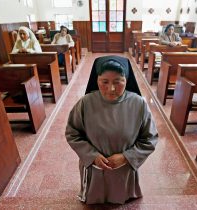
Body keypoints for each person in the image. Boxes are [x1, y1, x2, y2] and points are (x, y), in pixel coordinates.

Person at [65, 55, 158, 204]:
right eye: (104, 82)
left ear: (126, 80)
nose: (111, 89)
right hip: (94, 168)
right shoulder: (85, 103)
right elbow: (72, 133)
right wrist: (92, 155)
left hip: (124, 170)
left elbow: (150, 138)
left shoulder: (139, 104)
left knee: (123, 194)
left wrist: (126, 157)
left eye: (117, 82)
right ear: (97, 80)